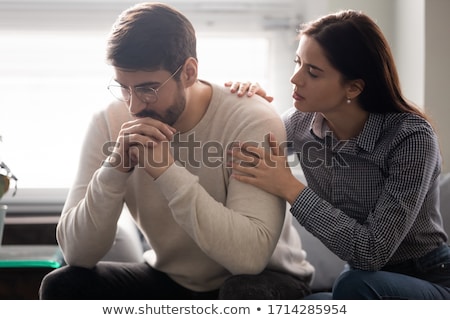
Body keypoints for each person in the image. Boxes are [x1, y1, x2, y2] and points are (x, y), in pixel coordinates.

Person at [38, 2, 314, 300]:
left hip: (264, 278)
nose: (133, 106)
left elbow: (248, 259)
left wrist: (166, 171)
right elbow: (77, 253)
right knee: (62, 284)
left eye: (147, 89)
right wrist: (114, 169)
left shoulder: (250, 118)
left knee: (243, 292)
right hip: (172, 279)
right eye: (124, 88)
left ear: (189, 72)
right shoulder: (108, 121)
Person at [227, 9, 450, 299]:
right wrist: (250, 107)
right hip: (360, 280)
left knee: (352, 286)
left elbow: (372, 253)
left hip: (427, 276)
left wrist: (288, 186)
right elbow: (244, 146)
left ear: (354, 87)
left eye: (313, 72)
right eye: (298, 62)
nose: (295, 79)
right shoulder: (300, 123)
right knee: (305, 304)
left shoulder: (411, 137)